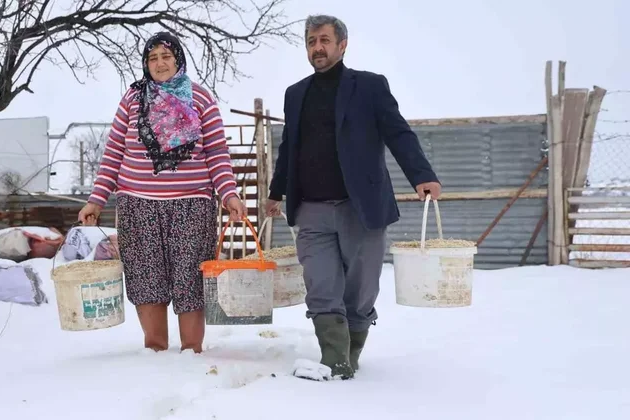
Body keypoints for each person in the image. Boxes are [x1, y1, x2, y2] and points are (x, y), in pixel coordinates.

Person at [265, 15, 442, 380]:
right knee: (321, 286)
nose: (318, 47)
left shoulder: (370, 87)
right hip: (311, 209)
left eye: (325, 40)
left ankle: (351, 353)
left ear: (342, 45)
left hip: (360, 208)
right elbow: (289, 148)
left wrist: (422, 176)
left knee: (360, 291)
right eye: (312, 41)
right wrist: (276, 192)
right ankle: (335, 361)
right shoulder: (296, 94)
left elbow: (398, 133)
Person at [78, 32, 246, 354]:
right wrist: (96, 200)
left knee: (190, 279)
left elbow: (217, 154)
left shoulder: (200, 99)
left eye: (166, 56)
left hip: (192, 205)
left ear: (178, 59)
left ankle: (191, 352)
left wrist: (229, 194)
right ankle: (154, 352)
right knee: (146, 278)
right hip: (137, 206)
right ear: (146, 64)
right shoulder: (133, 99)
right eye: (152, 58)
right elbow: (113, 152)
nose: (159, 63)